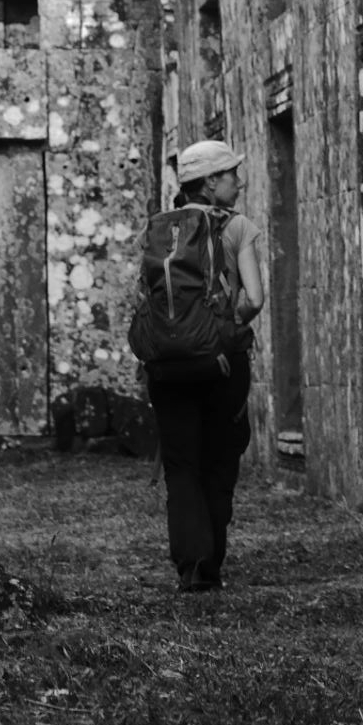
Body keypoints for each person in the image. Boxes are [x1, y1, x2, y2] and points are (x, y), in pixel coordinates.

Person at [144, 139, 264, 593]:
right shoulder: (237, 228)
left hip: (168, 366)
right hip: (221, 364)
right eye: (232, 174)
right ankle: (210, 566)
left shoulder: (158, 228)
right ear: (211, 182)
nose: (239, 182)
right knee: (218, 461)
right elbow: (254, 298)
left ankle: (189, 565)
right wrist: (223, 329)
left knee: (181, 463)